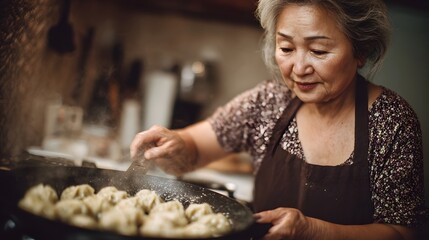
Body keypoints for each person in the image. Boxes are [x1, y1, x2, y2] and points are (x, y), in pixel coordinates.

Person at [131, 0, 429, 239]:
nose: (298, 68)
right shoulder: (267, 103)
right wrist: (174, 145)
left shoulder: (392, 121)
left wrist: (313, 231)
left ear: (360, 50)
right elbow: (192, 149)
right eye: (286, 48)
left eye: (318, 50)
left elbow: (402, 231)